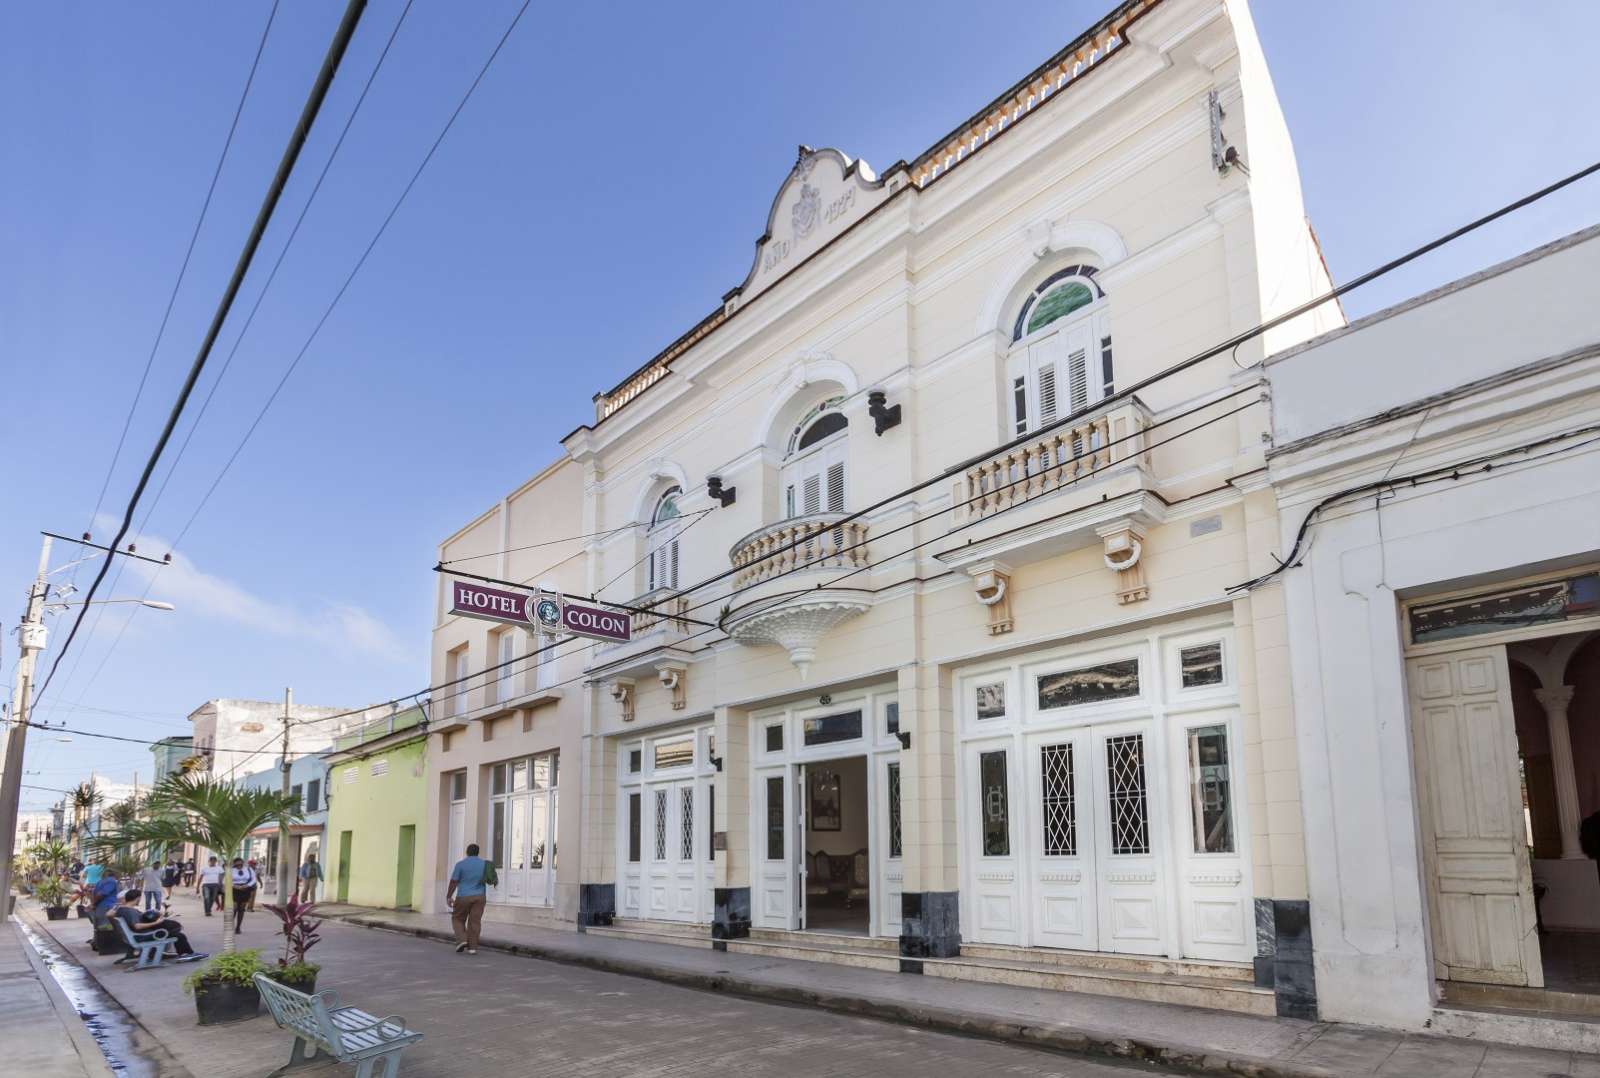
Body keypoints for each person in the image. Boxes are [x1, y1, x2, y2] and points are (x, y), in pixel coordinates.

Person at [112, 889, 204, 961]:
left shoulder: (121, 910)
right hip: (142, 936)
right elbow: (137, 926)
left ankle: (158, 953)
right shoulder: (130, 911)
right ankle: (186, 954)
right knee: (178, 935)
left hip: (138, 935)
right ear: (137, 898)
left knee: (172, 929)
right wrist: (156, 923)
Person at [446, 843, 490, 955]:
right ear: (478, 852)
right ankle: (473, 947)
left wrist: (449, 896)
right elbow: (489, 880)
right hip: (480, 896)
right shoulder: (485, 864)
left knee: (457, 918)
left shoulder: (460, 864)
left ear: (467, 852)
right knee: (475, 921)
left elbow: (454, 881)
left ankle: (462, 940)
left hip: (463, 896)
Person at [230, 858, 257, 934]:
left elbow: (253, 879)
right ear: (234, 864)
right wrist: (234, 886)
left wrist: (247, 885)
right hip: (234, 889)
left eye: (240, 864)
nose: (239, 866)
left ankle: (238, 927)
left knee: (241, 909)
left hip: (245, 889)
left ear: (243, 863)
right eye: (237, 864)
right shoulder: (231, 870)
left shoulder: (248, 869)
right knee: (234, 908)